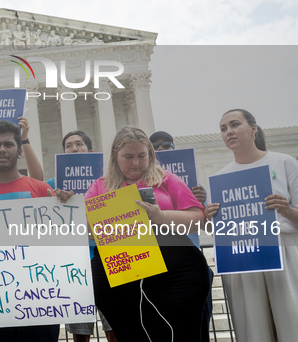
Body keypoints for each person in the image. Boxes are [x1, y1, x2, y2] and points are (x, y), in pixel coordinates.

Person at [85, 126, 210, 341]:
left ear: (149, 155)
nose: (136, 163)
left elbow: (197, 218)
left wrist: (160, 217)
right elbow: (86, 230)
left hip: (177, 270)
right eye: (128, 157)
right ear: (115, 154)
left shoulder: (166, 179)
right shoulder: (100, 186)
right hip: (122, 271)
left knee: (181, 332)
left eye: (142, 156)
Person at [0, 120, 71, 342]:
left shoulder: (43, 190)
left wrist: (68, 208)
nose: (2, 149)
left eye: (8, 144)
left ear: (20, 151)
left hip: (39, 301)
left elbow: (60, 241)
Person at [204, 109, 298, 342]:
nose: (229, 132)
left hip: (283, 250)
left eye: (234, 125)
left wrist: (285, 209)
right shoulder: (220, 178)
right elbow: (219, 231)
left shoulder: (284, 163)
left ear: (253, 129)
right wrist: (210, 218)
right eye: (223, 129)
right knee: (253, 331)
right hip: (243, 258)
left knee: (292, 324)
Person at [45, 130, 116, 342]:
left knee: (114, 326)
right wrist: (58, 201)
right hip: (74, 264)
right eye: (68, 145)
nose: (74, 148)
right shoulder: (53, 184)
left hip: (109, 260)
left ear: (90, 150)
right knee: (80, 333)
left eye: (79, 144)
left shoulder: (109, 182)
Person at [149, 130, 213, 342]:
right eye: (155, 146)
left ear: (174, 149)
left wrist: (200, 204)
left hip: (190, 261)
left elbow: (207, 227)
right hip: (156, 262)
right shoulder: (144, 186)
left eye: (166, 145)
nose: (160, 149)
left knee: (197, 325)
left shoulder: (196, 187)